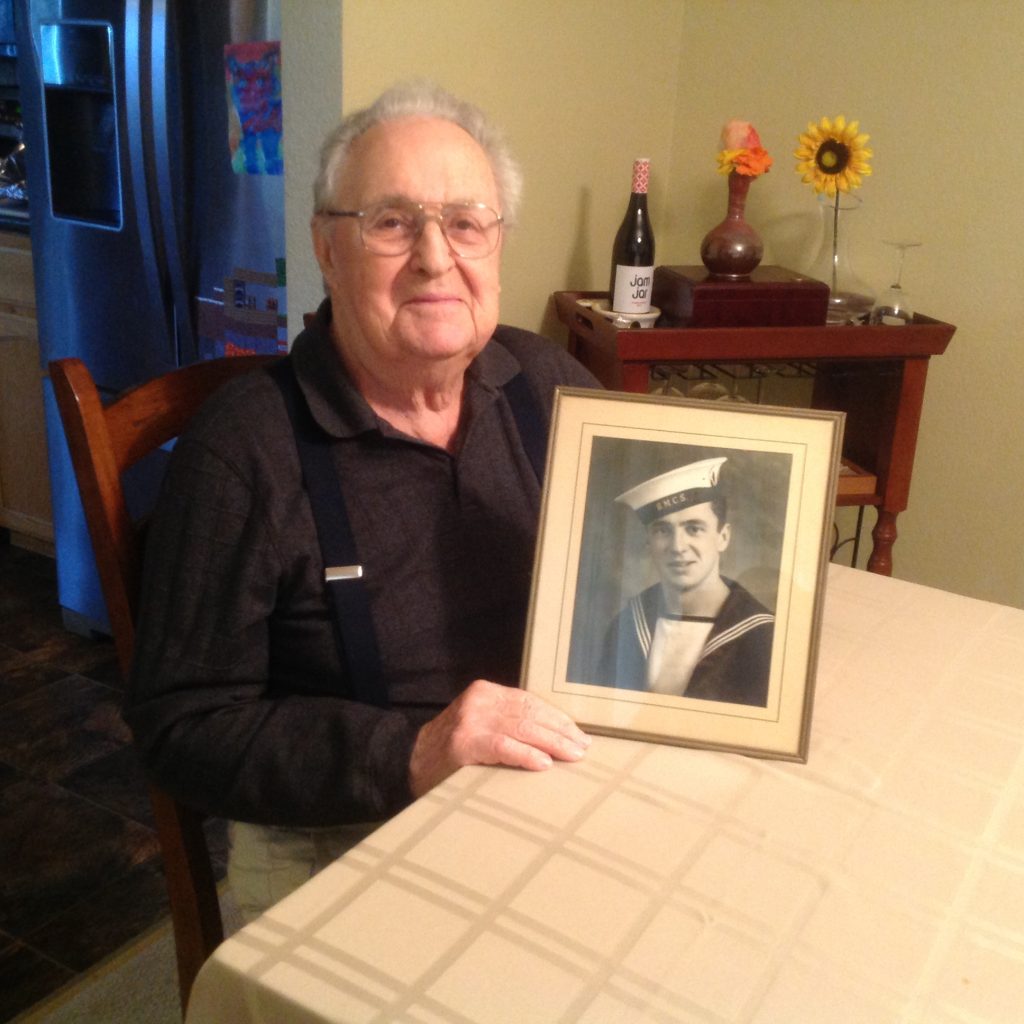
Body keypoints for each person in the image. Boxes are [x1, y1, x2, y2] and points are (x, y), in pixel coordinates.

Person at [124, 81, 596, 917]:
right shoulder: (245, 452)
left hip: (546, 784)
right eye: (391, 221)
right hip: (343, 829)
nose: (434, 256)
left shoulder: (548, 383)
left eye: (465, 221)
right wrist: (409, 753)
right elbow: (181, 727)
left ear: (497, 244)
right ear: (326, 248)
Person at [593, 456, 774, 705]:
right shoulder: (627, 626)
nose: (678, 547)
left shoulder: (762, 639)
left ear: (723, 536)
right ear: (648, 541)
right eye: (663, 530)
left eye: (694, 528)